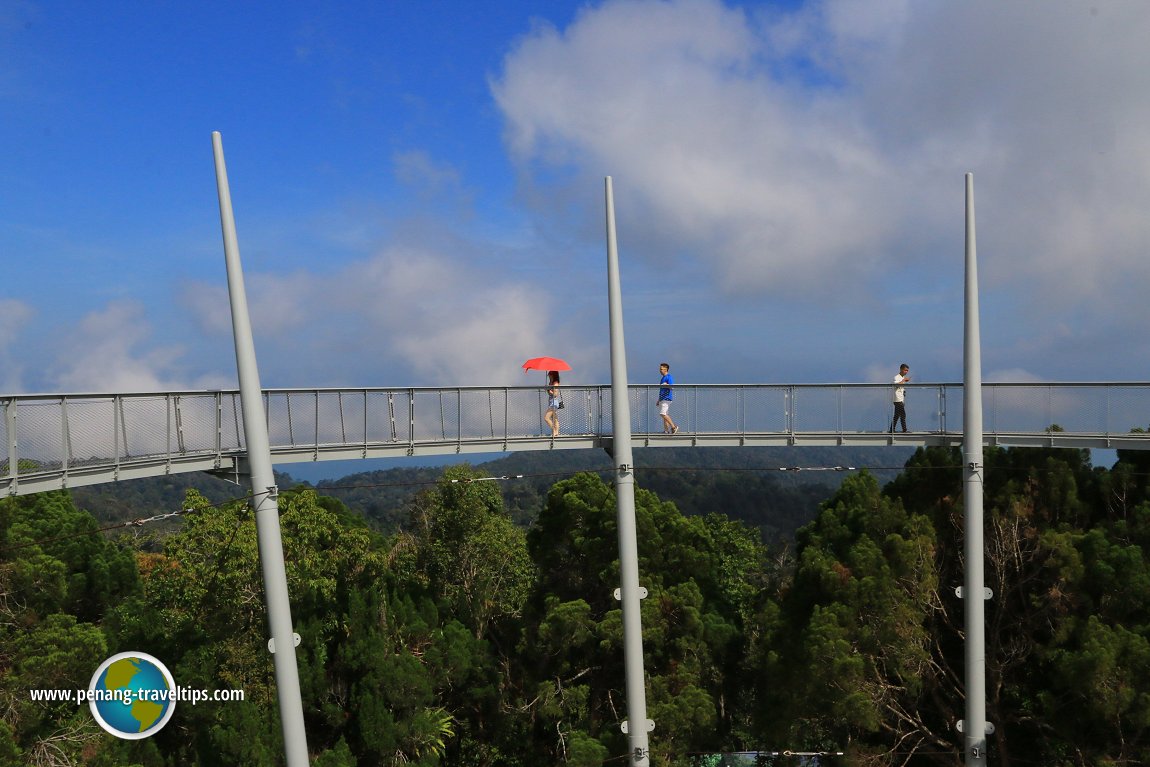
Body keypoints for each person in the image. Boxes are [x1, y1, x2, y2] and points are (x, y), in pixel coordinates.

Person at [658, 362, 678, 434]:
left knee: (662, 414)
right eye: (660, 369)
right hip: (662, 399)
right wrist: (658, 400)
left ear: (666, 369)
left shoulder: (669, 377)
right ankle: (666, 430)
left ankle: (673, 427)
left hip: (667, 398)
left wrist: (667, 384)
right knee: (665, 414)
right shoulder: (662, 378)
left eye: (661, 369)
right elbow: (661, 390)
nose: (660, 370)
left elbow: (672, 387)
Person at [890, 363, 910, 433]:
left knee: (897, 415)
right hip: (897, 399)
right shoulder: (896, 377)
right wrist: (904, 380)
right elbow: (896, 385)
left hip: (900, 399)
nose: (906, 372)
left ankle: (892, 429)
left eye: (907, 371)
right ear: (901, 369)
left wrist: (904, 392)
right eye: (905, 370)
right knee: (903, 415)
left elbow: (900, 387)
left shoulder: (901, 378)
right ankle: (904, 430)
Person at [544, 370, 561, 437]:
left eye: (550, 374)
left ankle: (554, 430)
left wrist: (548, 390)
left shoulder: (555, 383)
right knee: (555, 418)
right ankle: (556, 433)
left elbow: (555, 394)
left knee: (546, 418)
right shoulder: (550, 383)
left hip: (554, 403)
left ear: (553, 375)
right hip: (551, 402)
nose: (548, 375)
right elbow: (550, 394)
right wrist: (547, 389)